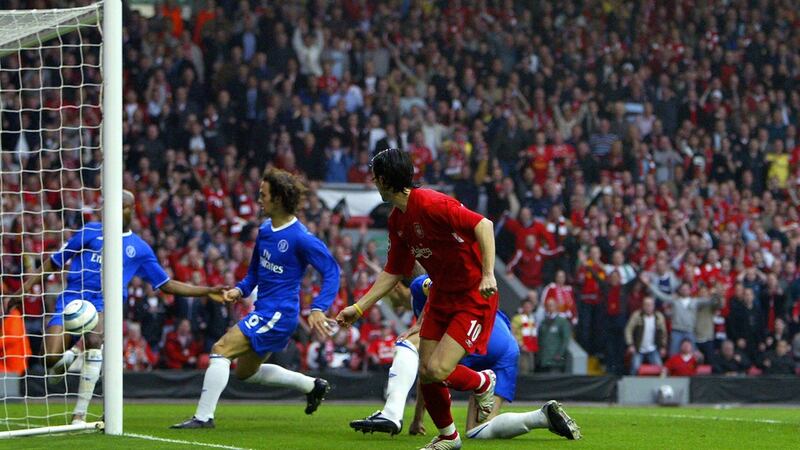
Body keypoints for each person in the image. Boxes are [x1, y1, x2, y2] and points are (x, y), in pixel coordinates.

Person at [10, 190, 226, 424]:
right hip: (72, 299)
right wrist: (23, 288)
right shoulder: (90, 231)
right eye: (113, 205)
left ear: (131, 211)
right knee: (49, 358)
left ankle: (79, 415)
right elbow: (54, 261)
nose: (116, 210)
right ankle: (72, 358)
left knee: (94, 341)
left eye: (122, 206)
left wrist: (206, 290)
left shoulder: (139, 248)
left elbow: (167, 284)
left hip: (105, 303)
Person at [337, 148, 501, 449]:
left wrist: (488, 273)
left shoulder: (431, 203)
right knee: (427, 374)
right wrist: (359, 307)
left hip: (472, 296)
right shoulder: (397, 219)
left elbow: (484, 225)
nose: (372, 180)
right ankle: (449, 437)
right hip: (440, 295)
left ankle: (483, 382)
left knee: (438, 370)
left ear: (384, 179)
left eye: (375, 175)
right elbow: (393, 271)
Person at [173, 168, 340, 429]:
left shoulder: (301, 238)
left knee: (220, 349)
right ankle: (312, 386)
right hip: (265, 310)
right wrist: (239, 291)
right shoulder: (264, 230)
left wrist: (318, 307)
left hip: (279, 313)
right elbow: (254, 272)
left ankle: (203, 417)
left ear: (278, 199)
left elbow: (332, 271)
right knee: (244, 373)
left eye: (263, 195)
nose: (258, 199)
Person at [349, 275, 580, 441]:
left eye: (384, 291)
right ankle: (541, 417)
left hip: (480, 337)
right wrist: (418, 419)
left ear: (396, 286)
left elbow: (435, 285)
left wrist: (417, 419)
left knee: (414, 351)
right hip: (504, 346)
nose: (386, 300)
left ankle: (394, 413)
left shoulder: (420, 285)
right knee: (478, 431)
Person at [624, 296, 668, 375]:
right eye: (646, 305)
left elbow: (664, 333)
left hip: (653, 348)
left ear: (653, 306)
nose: (648, 307)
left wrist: (663, 346)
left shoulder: (659, 317)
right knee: (635, 368)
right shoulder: (637, 315)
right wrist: (630, 344)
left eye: (650, 305)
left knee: (660, 369)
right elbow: (628, 330)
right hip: (639, 348)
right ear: (643, 306)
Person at [537, 298, 572, 373]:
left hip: (555, 360)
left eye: (551, 305)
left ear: (556, 307)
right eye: (547, 306)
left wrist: (560, 354)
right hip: (543, 359)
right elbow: (540, 339)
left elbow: (565, 339)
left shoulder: (562, 322)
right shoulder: (543, 322)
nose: (549, 308)